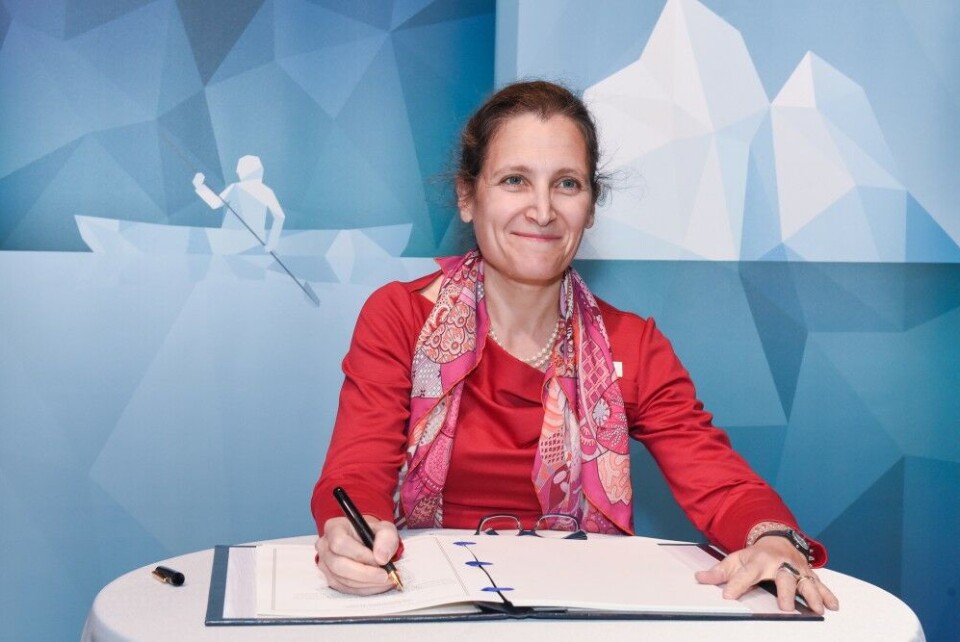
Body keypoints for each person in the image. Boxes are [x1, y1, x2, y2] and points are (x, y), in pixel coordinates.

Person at [310, 80, 839, 614]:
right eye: (515, 180)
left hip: (582, 616)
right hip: (428, 608)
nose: (542, 210)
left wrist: (772, 541)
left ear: (590, 208)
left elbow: (722, 484)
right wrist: (351, 534)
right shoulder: (399, 317)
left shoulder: (635, 345)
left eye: (566, 184)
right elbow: (356, 473)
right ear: (468, 198)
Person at [192, 155, 285, 253]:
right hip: (256, 242)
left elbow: (215, 203)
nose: (237, 171)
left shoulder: (236, 187)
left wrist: (200, 186)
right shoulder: (267, 191)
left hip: (230, 242)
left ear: (247, 171)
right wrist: (272, 244)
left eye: (239, 168)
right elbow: (280, 217)